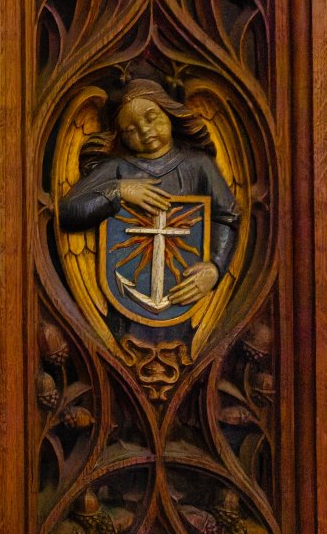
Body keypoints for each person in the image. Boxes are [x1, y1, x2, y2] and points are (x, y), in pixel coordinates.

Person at [58, 79, 239, 339]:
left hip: (186, 294)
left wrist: (215, 268)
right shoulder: (116, 169)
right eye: (130, 130)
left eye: (151, 117)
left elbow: (227, 216)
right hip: (124, 306)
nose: (144, 131)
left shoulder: (198, 165)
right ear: (119, 136)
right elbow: (68, 211)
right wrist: (118, 191)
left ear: (169, 112)